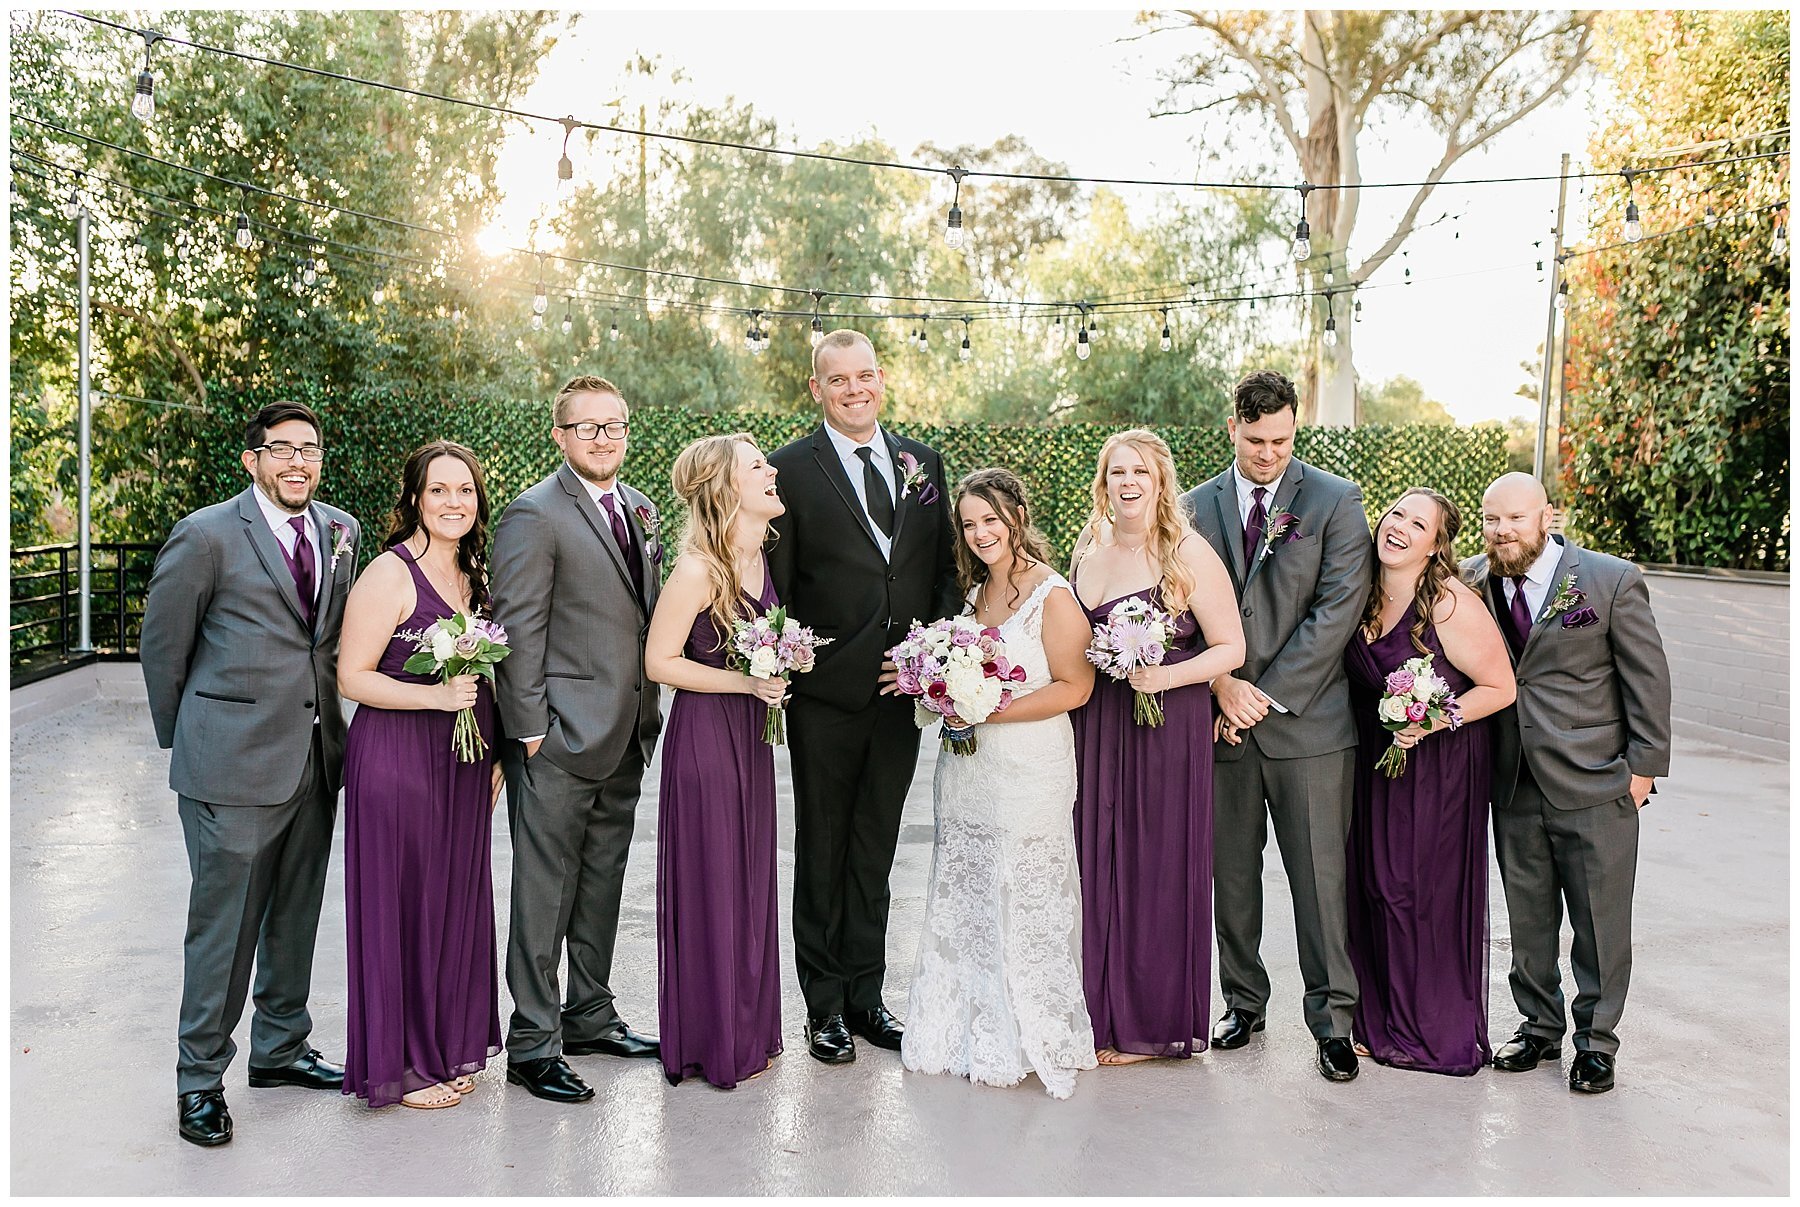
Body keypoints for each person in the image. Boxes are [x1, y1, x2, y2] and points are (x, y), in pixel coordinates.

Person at [141, 400, 357, 1147]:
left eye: (310, 448)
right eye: (282, 449)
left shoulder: (341, 530)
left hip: (316, 755)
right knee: (223, 932)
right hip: (227, 766)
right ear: (253, 459)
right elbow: (163, 647)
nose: (298, 461)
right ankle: (199, 1079)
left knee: (295, 915)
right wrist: (192, 745)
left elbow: (324, 646)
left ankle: (281, 1046)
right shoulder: (205, 535)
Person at [767, 329, 962, 1064]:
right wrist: (791, 672)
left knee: (876, 849)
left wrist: (928, 654)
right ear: (815, 388)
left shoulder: (923, 461)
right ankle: (822, 1007)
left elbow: (941, 569)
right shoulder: (788, 468)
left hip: (899, 694)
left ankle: (866, 995)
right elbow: (777, 591)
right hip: (825, 695)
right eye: (838, 379)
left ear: (882, 380)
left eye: (866, 376)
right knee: (822, 849)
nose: (855, 389)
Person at [1179, 370, 1373, 1083]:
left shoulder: (1335, 500)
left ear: (1296, 428)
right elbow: (1178, 607)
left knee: (1321, 883)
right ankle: (1243, 1000)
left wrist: (1261, 694)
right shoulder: (1193, 506)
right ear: (1232, 428)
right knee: (1231, 877)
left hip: (1310, 729)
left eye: (1282, 439)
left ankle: (1332, 1023)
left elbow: (1337, 612)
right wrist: (1221, 683)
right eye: (1256, 439)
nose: (1269, 453)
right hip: (1221, 724)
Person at [1462, 471, 1671, 1095]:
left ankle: (1596, 1042)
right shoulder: (1470, 581)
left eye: (1516, 520)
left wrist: (1644, 770)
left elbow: (1648, 678)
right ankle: (1539, 1027)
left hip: (1596, 780)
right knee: (1527, 920)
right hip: (1513, 778)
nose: (1503, 532)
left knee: (1600, 923)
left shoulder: (1610, 581)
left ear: (1547, 517)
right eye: (1491, 519)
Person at [490, 375, 665, 1104]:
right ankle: (533, 1041)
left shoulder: (641, 509)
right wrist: (531, 732)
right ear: (558, 435)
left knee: (601, 883)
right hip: (556, 742)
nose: (602, 437)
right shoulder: (534, 514)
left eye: (614, 424)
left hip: (625, 733)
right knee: (543, 894)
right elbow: (518, 628)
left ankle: (589, 1013)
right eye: (586, 426)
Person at [901, 468, 1098, 1098]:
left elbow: (1076, 687)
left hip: (1029, 769)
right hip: (968, 772)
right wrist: (939, 693)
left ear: (1016, 517)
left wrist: (985, 707)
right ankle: (967, 1025)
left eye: (991, 519)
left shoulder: (1053, 595)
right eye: (969, 523)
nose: (981, 532)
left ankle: (1031, 1031)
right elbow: (960, 674)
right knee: (971, 894)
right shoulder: (973, 597)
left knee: (1024, 893)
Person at [336, 441, 505, 1109]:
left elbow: (487, 677)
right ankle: (403, 1065)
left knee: (450, 901)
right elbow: (351, 675)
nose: (454, 501)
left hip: (463, 763)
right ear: (413, 499)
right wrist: (437, 697)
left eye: (465, 489)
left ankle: (441, 1044)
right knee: (403, 904)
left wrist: (490, 754)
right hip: (397, 759)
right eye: (439, 490)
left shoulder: (475, 572)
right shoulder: (389, 573)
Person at [1070, 431, 1245, 1065]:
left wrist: (1163, 674)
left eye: (1140, 470)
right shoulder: (1088, 552)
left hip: (1168, 724)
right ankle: (1097, 1011)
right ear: (1104, 482)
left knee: (1156, 863)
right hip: (1099, 724)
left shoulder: (1187, 553)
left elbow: (1231, 648)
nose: (1128, 482)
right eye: (1116, 471)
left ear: (1161, 481)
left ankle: (1150, 1024)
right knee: (1100, 861)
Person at [1342, 488, 1514, 1076]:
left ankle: (1431, 1030)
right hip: (1373, 759)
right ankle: (1380, 1020)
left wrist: (1435, 718)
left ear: (1436, 544)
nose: (1399, 529)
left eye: (1418, 525)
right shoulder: (1361, 590)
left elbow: (1499, 687)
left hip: (1438, 766)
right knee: (1374, 886)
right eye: (1394, 515)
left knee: (1419, 893)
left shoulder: (1448, 603)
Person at [644, 434, 789, 1089]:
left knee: (749, 878)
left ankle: (747, 1025)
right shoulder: (698, 568)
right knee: (714, 880)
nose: (772, 470)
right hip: (706, 741)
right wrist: (744, 683)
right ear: (728, 487)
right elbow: (659, 661)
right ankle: (712, 1038)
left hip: (751, 741)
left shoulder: (761, 558)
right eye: (757, 466)